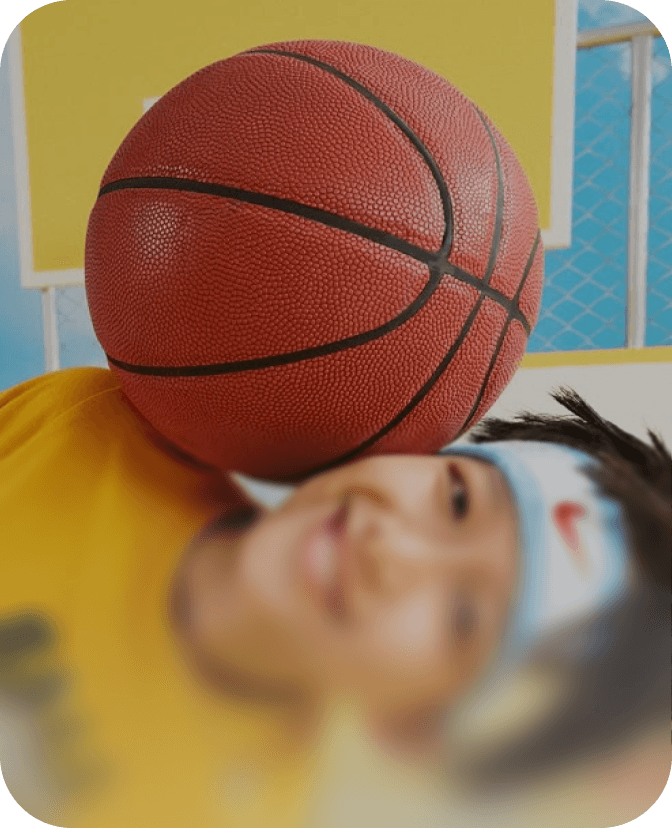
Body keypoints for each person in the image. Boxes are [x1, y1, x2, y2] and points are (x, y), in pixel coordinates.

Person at [0, 366, 669, 828]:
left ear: (417, 727)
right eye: (458, 500)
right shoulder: (84, 426)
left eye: (464, 616)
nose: (395, 551)